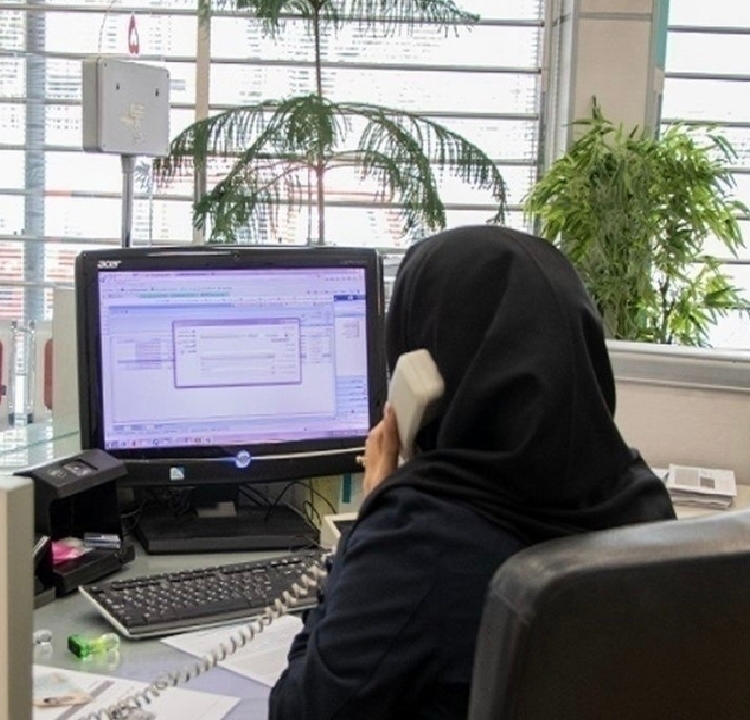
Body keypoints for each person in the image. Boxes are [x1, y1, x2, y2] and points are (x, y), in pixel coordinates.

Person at [269, 225, 676, 720]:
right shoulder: (642, 499)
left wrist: (371, 512)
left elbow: (296, 710)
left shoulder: (417, 539)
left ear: (423, 371)